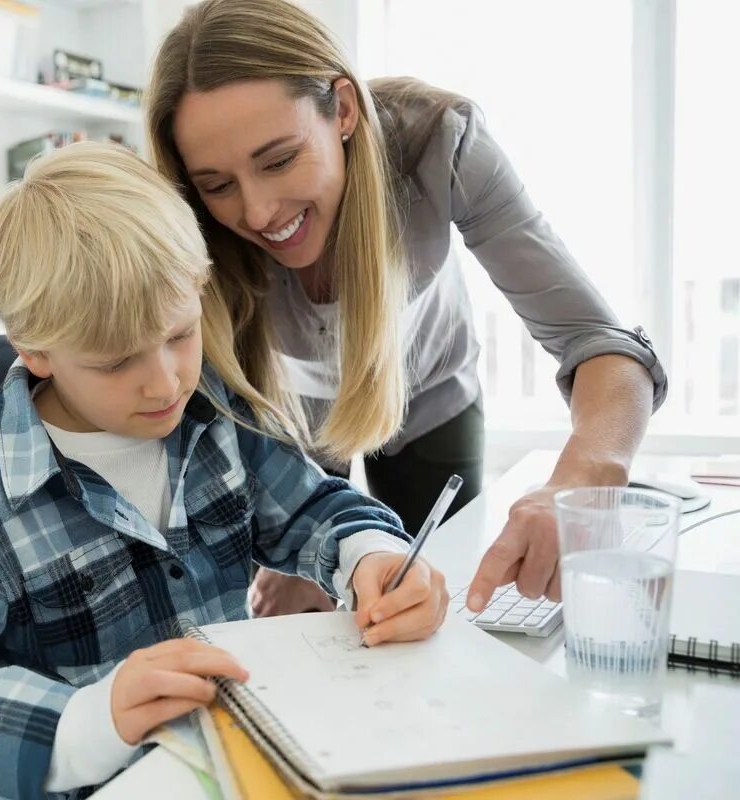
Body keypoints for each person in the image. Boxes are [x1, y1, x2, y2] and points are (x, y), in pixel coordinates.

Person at [0, 142, 448, 800]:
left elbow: (312, 510)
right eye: (115, 362)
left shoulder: (215, 413)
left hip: (243, 765)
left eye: (180, 335)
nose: (165, 383)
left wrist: (372, 558)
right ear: (35, 350)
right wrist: (87, 721)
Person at [146, 0, 666, 616]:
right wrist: (298, 553)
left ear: (342, 109)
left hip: (430, 392)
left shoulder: (439, 142)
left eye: (279, 159)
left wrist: (582, 478)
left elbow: (599, 341)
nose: (257, 214)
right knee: (306, 607)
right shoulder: (184, 221)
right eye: (218, 185)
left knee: (437, 595)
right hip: (291, 414)